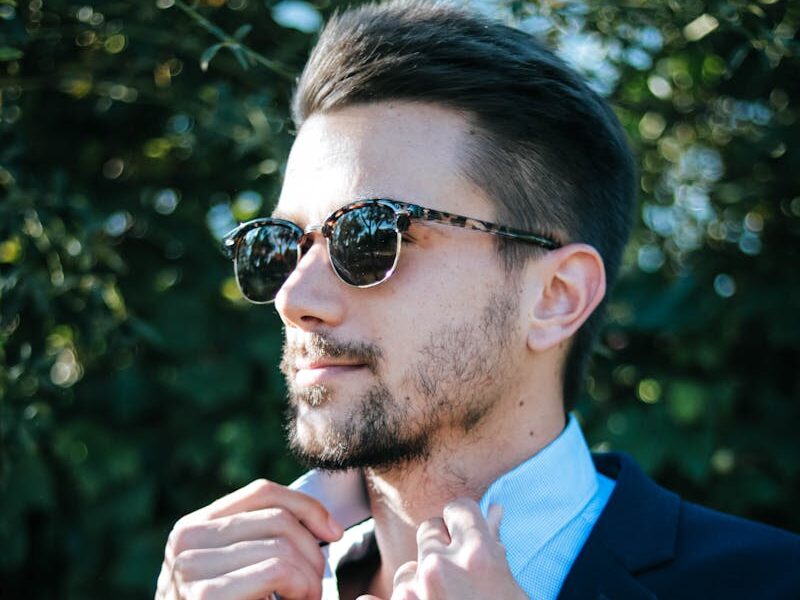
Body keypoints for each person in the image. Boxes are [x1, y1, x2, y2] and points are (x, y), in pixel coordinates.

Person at [155, 1, 800, 598]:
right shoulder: (227, 584)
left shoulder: (771, 581)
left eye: (372, 236)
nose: (295, 297)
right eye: (284, 243)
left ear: (555, 296)